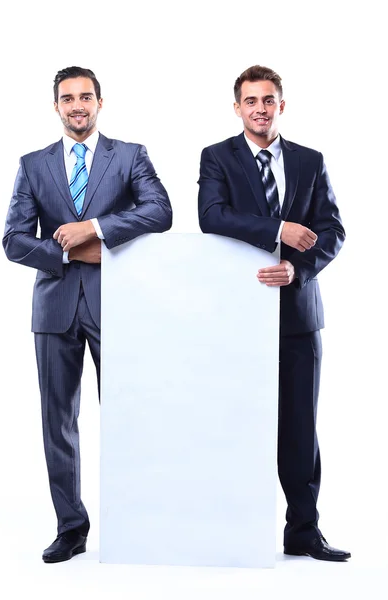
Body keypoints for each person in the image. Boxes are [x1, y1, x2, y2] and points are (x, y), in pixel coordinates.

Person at [3, 66, 172, 563]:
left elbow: (160, 210)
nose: (77, 105)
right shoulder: (33, 165)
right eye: (67, 98)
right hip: (54, 308)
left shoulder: (130, 156)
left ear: (101, 102)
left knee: (126, 417)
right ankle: (71, 528)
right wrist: (68, 252)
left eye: (86, 97)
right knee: (58, 420)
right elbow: (13, 240)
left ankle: (132, 524)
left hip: (116, 305)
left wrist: (94, 228)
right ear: (55, 106)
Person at [198, 65, 350, 561]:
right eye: (250, 101)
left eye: (268, 100)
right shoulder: (217, 157)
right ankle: (235, 529)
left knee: (300, 426)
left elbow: (332, 230)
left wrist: (298, 268)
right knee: (236, 421)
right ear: (237, 107)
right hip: (238, 315)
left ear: (282, 105)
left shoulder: (310, 160)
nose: (260, 109)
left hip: (299, 316)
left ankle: (303, 530)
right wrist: (278, 229)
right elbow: (211, 216)